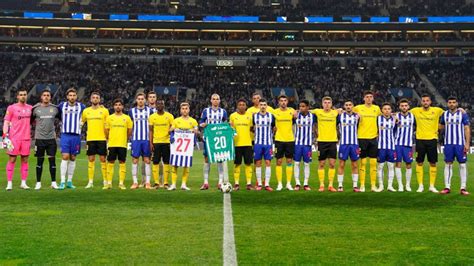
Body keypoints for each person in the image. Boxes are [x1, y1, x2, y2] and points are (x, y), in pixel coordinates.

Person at [410, 94, 444, 193]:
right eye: (423, 101)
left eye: (427, 100)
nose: (425, 102)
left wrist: (461, 110)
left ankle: (431, 186)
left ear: (430, 102)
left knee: (432, 163)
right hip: (420, 140)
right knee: (419, 162)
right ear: (421, 102)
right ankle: (420, 185)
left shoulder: (437, 110)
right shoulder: (415, 110)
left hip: (432, 140)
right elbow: (403, 113)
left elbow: (449, 113)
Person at [439, 96, 470, 195]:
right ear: (447, 104)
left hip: (460, 144)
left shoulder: (462, 114)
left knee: (462, 164)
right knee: (448, 164)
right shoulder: (444, 114)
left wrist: (467, 143)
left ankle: (463, 188)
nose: (451, 104)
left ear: (456, 103)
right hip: (448, 144)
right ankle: (447, 187)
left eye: (453, 102)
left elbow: (466, 128)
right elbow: (441, 127)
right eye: (450, 102)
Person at [3, 88, 32, 190]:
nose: (23, 96)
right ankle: (9, 183)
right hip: (14, 138)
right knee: (12, 159)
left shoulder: (30, 108)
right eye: (21, 94)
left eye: (25, 94)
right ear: (17, 96)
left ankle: (23, 183)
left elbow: (34, 122)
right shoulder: (11, 108)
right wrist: (5, 135)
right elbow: (6, 122)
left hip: (26, 138)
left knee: (25, 160)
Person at [57, 87, 85, 190]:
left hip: (76, 135)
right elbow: (56, 115)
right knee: (65, 157)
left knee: (73, 157)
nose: (72, 97)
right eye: (70, 95)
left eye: (74, 95)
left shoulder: (81, 106)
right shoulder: (61, 106)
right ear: (67, 96)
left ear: (76, 96)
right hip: (65, 135)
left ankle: (69, 181)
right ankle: (62, 182)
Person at [31, 89, 59, 190]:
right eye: (44, 95)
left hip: (51, 139)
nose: (46, 97)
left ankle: (54, 182)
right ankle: (38, 183)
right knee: (40, 161)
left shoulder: (55, 109)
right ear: (41, 97)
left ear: (50, 97)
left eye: (48, 95)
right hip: (39, 139)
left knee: (52, 161)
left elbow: (62, 119)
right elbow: (30, 121)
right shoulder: (35, 109)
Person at [353, 91, 381, 192]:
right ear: (363, 98)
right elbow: (346, 112)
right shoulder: (357, 108)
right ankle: (362, 185)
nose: (369, 99)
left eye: (370, 97)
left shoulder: (376, 109)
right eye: (367, 97)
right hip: (361, 138)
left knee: (373, 163)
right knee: (363, 163)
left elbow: (384, 117)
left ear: (373, 99)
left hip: (373, 138)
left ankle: (373, 185)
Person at [199, 94, 228, 190]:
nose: (215, 101)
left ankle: (220, 182)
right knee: (207, 159)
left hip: (219, 139)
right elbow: (201, 122)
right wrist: (203, 124)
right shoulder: (206, 111)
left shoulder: (223, 112)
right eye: (214, 99)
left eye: (217, 99)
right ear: (211, 100)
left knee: (220, 159)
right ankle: (206, 182)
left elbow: (225, 124)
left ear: (219, 101)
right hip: (209, 139)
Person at [168, 102, 198, 191]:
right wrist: (172, 130)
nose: (184, 110)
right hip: (177, 146)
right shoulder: (176, 120)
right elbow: (170, 130)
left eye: (186, 108)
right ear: (180, 110)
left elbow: (197, 131)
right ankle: (173, 184)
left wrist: (193, 130)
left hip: (187, 147)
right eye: (183, 109)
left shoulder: (193, 121)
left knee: (186, 164)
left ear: (189, 110)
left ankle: (183, 184)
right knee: (175, 164)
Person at [82, 91, 109, 189]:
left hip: (102, 138)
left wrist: (108, 137)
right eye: (93, 97)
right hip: (91, 138)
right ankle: (90, 182)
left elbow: (107, 125)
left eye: (97, 97)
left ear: (99, 99)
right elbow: (81, 122)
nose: (95, 99)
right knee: (91, 159)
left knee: (103, 159)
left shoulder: (105, 111)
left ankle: (105, 181)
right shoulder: (86, 111)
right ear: (90, 99)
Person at [312, 96, 339, 192]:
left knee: (332, 164)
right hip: (321, 141)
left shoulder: (335, 113)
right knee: (322, 163)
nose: (327, 104)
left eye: (329, 103)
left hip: (332, 141)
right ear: (322, 104)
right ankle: (322, 184)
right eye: (325, 103)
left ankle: (331, 185)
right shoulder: (317, 112)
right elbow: (306, 111)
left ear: (331, 104)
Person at [104, 99, 133, 189]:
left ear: (122, 106)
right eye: (116, 105)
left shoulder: (127, 118)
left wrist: (125, 139)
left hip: (122, 144)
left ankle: (121, 183)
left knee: (122, 162)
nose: (118, 106)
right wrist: (110, 139)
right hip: (112, 144)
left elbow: (129, 131)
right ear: (114, 106)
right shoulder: (109, 118)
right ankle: (109, 183)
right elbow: (106, 131)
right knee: (110, 162)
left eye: (119, 105)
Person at [129, 92, 154, 189]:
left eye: (142, 99)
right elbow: (130, 126)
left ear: (145, 100)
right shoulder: (131, 111)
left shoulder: (150, 111)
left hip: (146, 140)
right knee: (135, 160)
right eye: (139, 99)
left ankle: (147, 182)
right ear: (136, 100)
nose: (140, 100)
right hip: (136, 140)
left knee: (147, 160)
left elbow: (151, 127)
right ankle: (135, 182)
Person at [149, 98, 174, 189]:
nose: (160, 105)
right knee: (155, 162)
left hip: (166, 142)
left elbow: (173, 128)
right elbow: (151, 131)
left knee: (166, 162)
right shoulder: (152, 117)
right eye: (158, 104)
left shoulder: (170, 116)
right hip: (156, 142)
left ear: (164, 105)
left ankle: (166, 183)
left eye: (161, 104)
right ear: (156, 106)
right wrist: (150, 143)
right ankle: (156, 183)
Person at [336, 100, 360, 192]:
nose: (348, 106)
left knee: (354, 165)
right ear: (344, 106)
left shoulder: (357, 116)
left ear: (353, 106)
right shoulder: (340, 116)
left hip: (354, 144)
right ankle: (340, 185)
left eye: (350, 105)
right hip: (343, 144)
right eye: (346, 105)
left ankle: (355, 185)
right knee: (341, 164)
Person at [252, 98, 276, 191]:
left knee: (268, 162)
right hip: (258, 143)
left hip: (268, 143)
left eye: (264, 105)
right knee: (258, 163)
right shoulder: (254, 116)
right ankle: (259, 184)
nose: (262, 106)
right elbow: (252, 127)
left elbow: (274, 128)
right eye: (261, 105)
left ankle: (267, 184)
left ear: (267, 106)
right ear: (259, 106)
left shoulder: (271, 116)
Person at [273, 95, 296, 191]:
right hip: (278, 140)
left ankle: (288, 183)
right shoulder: (274, 112)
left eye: (285, 100)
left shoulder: (292, 111)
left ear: (287, 102)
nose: (283, 102)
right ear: (278, 102)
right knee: (278, 161)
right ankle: (279, 183)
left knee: (289, 161)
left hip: (290, 139)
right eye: (281, 101)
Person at [293, 100, 316, 191]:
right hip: (297, 144)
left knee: (306, 164)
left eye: (303, 106)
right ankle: (297, 183)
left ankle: (306, 183)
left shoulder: (313, 116)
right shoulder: (295, 116)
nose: (301, 108)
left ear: (307, 107)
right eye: (300, 106)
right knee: (297, 163)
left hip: (308, 144)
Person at [394, 99, 416, 192]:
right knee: (398, 163)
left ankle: (407, 185)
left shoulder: (413, 116)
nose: (404, 107)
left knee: (408, 164)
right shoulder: (395, 116)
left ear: (408, 107)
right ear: (399, 107)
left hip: (408, 144)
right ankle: (400, 185)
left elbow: (417, 126)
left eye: (405, 105)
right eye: (402, 106)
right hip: (397, 144)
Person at [376, 103, 398, 192]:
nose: (387, 110)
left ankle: (390, 186)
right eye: (385, 109)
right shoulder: (378, 119)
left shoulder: (394, 119)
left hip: (391, 147)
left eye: (389, 109)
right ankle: (381, 186)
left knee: (391, 166)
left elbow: (396, 131)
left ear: (391, 110)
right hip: (381, 147)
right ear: (382, 110)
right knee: (380, 166)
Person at [145, 91, 158, 187]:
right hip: (145, 137)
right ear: (147, 99)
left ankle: (160, 180)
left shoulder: (160, 110)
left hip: (158, 138)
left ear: (156, 98)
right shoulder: (144, 110)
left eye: (154, 97)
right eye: (150, 97)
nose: (152, 98)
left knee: (159, 160)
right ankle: (144, 180)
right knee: (145, 159)